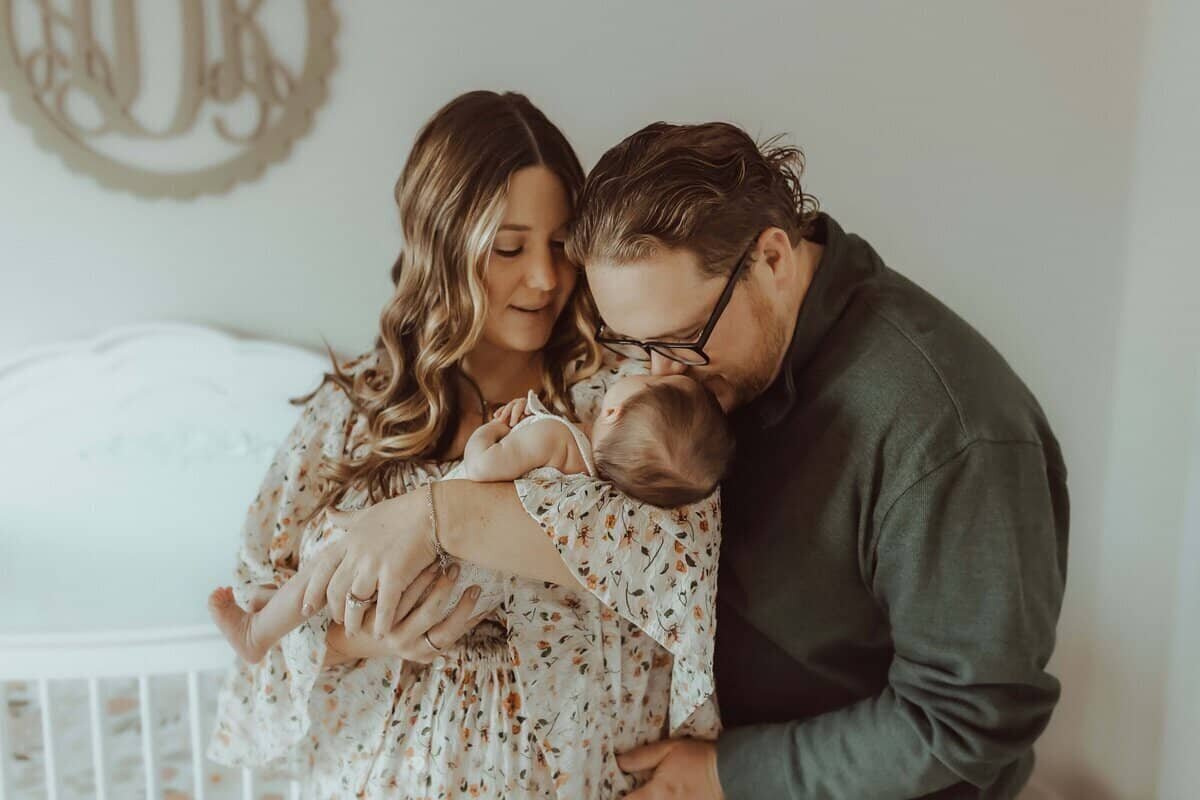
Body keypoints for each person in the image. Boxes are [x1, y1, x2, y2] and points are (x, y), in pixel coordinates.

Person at [308, 121, 1069, 799]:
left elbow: (967, 723)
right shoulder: (713, 365)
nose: (657, 374)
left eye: (677, 343)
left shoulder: (948, 430)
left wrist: (724, 774)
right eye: (631, 347)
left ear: (772, 256)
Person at [207, 92, 726, 799]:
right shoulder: (356, 414)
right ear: (443, 246)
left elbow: (683, 563)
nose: (544, 279)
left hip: (584, 773)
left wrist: (441, 513)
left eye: (560, 246)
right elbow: (261, 633)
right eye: (509, 248)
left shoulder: (626, 393)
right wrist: (368, 639)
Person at [207, 373, 732, 666]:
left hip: (431, 550)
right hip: (466, 584)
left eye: (650, 381)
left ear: (614, 412)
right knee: (339, 595)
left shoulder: (557, 437)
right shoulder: (599, 499)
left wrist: (495, 431)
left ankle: (257, 633)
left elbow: (480, 471)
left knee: (327, 569)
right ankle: (272, 614)